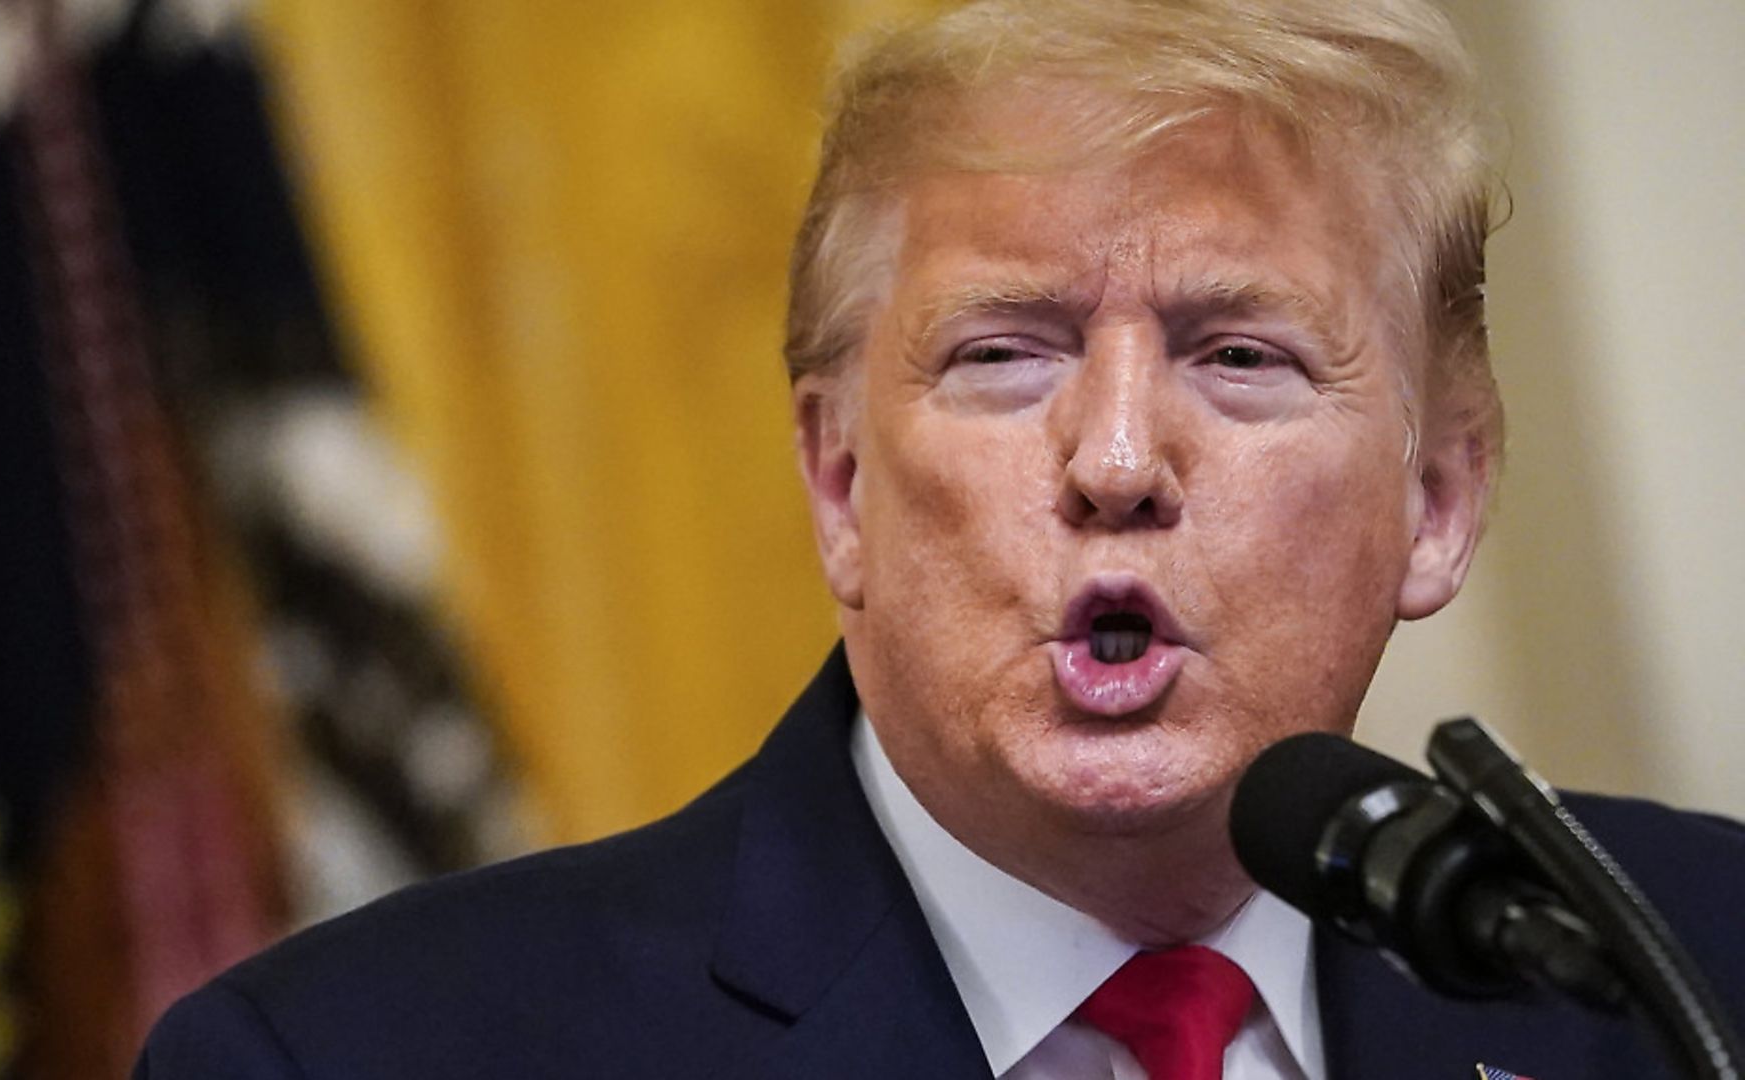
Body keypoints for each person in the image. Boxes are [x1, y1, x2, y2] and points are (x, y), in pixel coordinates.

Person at [136, 1, 1745, 1077]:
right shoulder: (357, 1056)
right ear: (839, 482)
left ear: (1440, 503)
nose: (1116, 460)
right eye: (1004, 353)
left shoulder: (1691, 968)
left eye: (1241, 356)